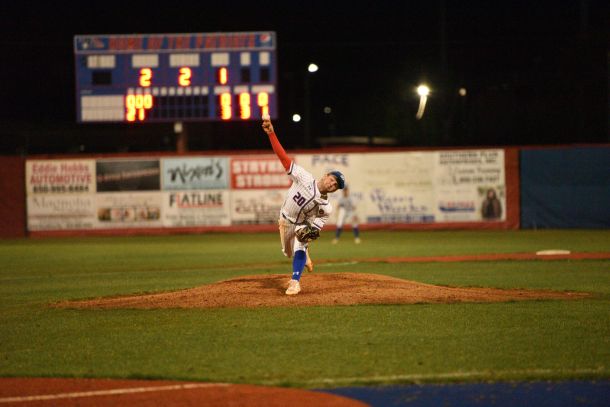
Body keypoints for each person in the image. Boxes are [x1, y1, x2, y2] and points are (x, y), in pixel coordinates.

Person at [262, 116, 345, 295]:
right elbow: (284, 159)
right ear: (325, 175)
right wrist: (271, 134)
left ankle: (295, 281)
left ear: (335, 190)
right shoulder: (304, 177)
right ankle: (304, 254)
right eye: (332, 179)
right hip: (285, 220)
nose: (332, 184)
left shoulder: (326, 208)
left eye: (335, 186)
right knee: (287, 252)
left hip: (301, 224)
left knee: (301, 243)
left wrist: (309, 234)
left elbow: (315, 229)